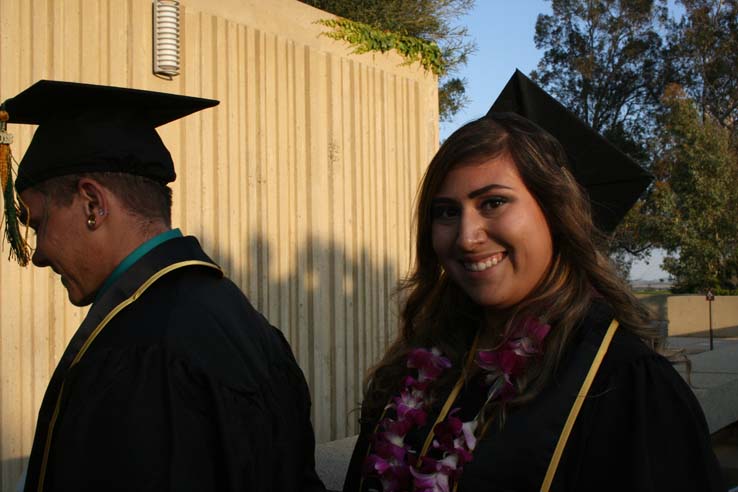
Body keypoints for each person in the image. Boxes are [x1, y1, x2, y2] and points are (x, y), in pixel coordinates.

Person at [342, 71, 726, 491]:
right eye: (447, 211)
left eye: (493, 202)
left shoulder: (624, 383)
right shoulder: (417, 367)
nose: (467, 237)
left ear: (555, 212)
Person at [0, 80, 325, 492]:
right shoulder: (250, 327)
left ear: (92, 205)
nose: (39, 253)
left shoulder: (140, 354)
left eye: (38, 223)